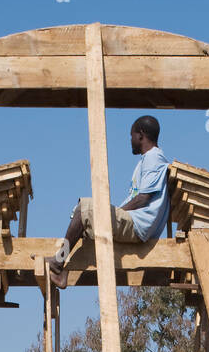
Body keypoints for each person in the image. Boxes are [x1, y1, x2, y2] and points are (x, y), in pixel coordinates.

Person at [45, 115, 170, 288]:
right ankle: (63, 273)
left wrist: (114, 212)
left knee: (85, 208)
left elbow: (143, 198)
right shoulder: (148, 160)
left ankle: (58, 262)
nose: (130, 140)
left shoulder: (153, 158)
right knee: (87, 228)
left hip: (139, 224)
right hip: (138, 224)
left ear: (140, 135)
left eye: (131, 135)